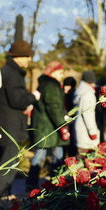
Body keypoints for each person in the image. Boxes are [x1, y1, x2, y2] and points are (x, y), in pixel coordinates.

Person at [0, 41, 40, 200]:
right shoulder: (13, 74)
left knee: (0, 156)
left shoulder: (7, 71)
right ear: (18, 57)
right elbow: (17, 100)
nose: (29, 60)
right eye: (27, 56)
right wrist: (33, 97)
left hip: (4, 122)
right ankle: (1, 194)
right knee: (10, 159)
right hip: (10, 123)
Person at [26, 61, 70, 190]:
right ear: (53, 72)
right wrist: (62, 125)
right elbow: (54, 107)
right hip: (50, 128)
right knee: (54, 156)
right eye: (60, 72)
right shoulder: (51, 86)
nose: (61, 75)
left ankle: (33, 183)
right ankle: (57, 183)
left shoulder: (43, 84)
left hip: (44, 126)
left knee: (42, 155)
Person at [73, 71, 100, 157]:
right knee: (84, 160)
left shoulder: (79, 91)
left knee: (80, 155)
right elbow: (88, 114)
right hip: (86, 132)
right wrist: (92, 131)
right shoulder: (88, 94)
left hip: (80, 129)